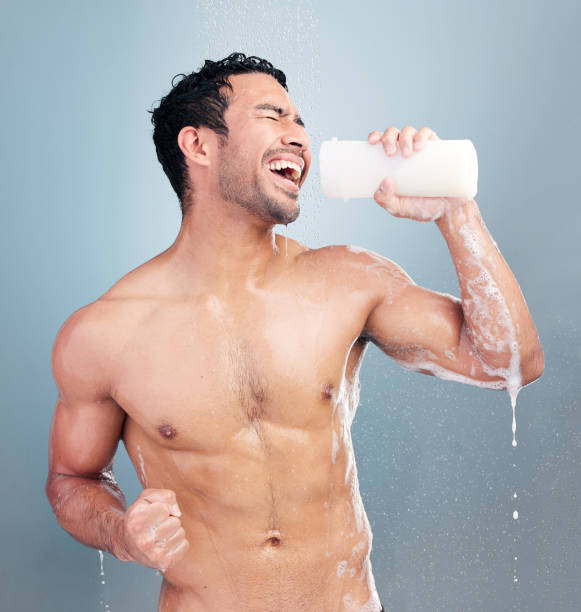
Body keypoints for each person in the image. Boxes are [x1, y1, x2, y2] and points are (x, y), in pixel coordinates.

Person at [46, 52, 544, 612]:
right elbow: (72, 480)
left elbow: (510, 362)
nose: (299, 138)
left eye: (300, 122)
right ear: (199, 145)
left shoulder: (346, 279)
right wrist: (123, 535)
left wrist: (456, 212)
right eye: (272, 116)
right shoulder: (105, 333)